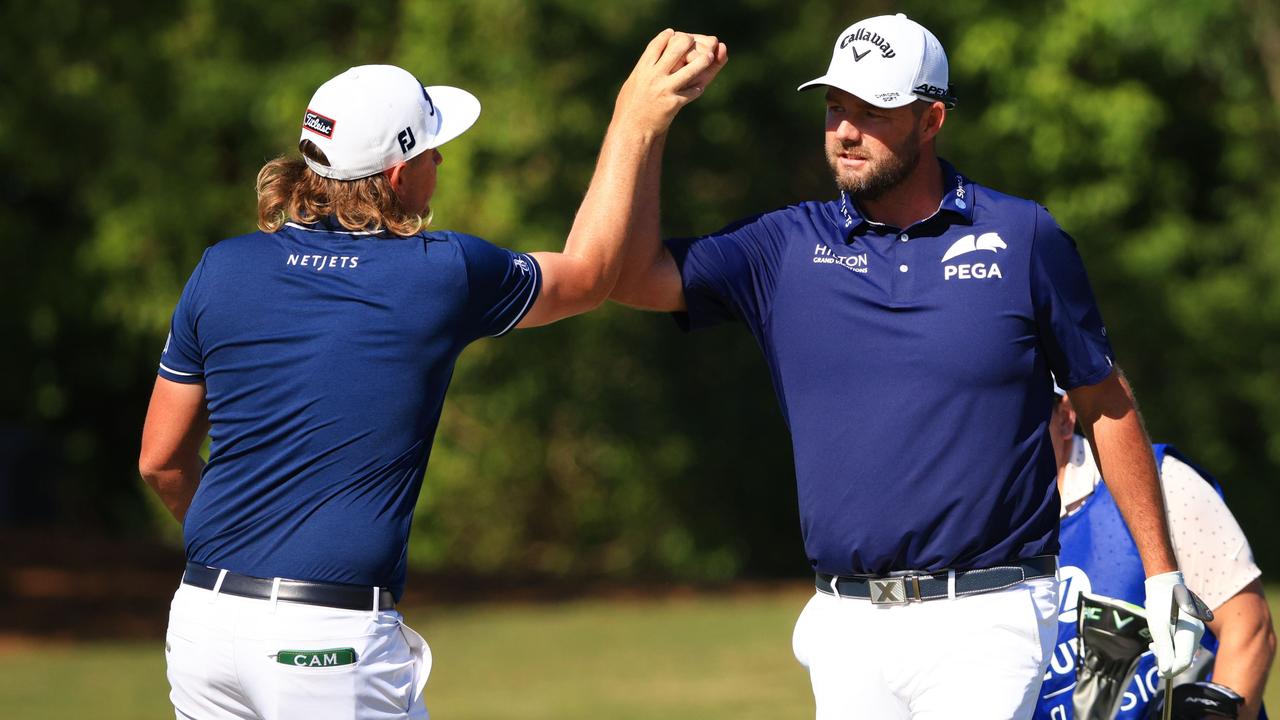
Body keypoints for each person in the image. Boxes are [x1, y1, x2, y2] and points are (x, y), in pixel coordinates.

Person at [609, 12, 1205, 719]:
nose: (845, 130)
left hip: (990, 612)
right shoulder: (784, 249)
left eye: (873, 111)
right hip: (846, 622)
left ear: (932, 119)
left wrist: (1161, 572)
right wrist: (640, 123)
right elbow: (628, 275)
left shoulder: (1022, 237)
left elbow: (1104, 401)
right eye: (835, 107)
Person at [137, 32, 727, 720]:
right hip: (325, 645)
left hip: (203, 624)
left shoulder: (221, 268)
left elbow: (160, 461)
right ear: (394, 175)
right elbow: (593, 275)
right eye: (428, 149)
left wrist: (244, 552)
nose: (440, 159)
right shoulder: (439, 272)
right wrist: (635, 117)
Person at [1037, 388, 1275, 720]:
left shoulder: (1162, 481)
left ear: (1064, 418)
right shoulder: (965, 528)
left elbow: (1249, 630)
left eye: (1017, 406)